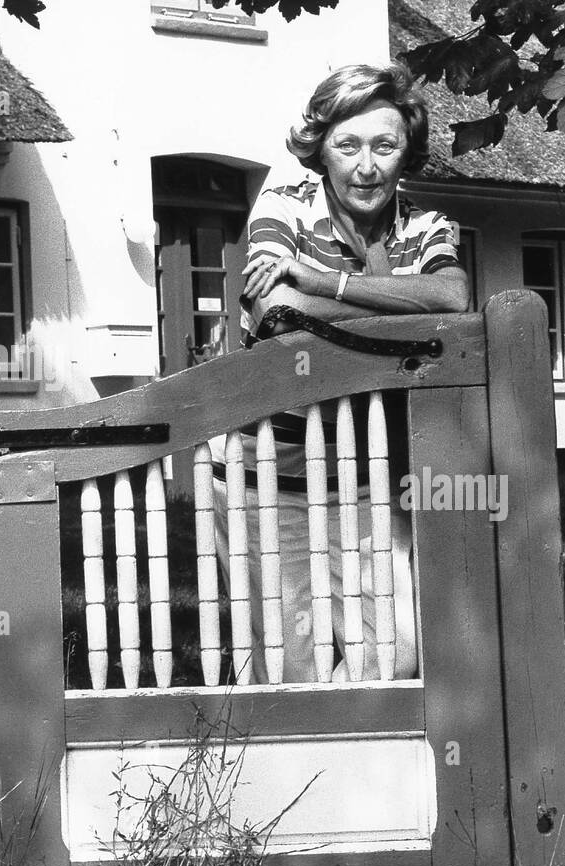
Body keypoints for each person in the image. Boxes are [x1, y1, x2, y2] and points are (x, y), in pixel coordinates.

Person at [213, 62, 468, 684]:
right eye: (347, 144)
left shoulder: (427, 226)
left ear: (406, 151)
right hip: (269, 475)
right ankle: (287, 783)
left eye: (385, 145)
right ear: (320, 148)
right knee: (289, 664)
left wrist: (323, 284)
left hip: (372, 477)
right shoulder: (283, 205)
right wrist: (399, 312)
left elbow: (453, 299)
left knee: (394, 660)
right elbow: (276, 313)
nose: (367, 166)